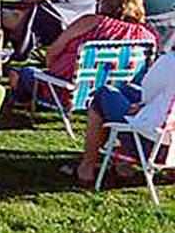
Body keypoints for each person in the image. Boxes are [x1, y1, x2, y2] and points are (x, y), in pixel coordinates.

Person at [8, 0, 157, 102]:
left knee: (21, 73)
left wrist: (53, 70)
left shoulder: (91, 23)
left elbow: (54, 51)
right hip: (117, 94)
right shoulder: (148, 36)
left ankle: (24, 98)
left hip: (67, 90)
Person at [69, 48, 175, 186]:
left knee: (103, 94)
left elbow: (147, 92)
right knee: (127, 89)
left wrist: (142, 105)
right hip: (169, 143)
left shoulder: (169, 61)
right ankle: (121, 165)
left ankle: (86, 169)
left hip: (151, 147)